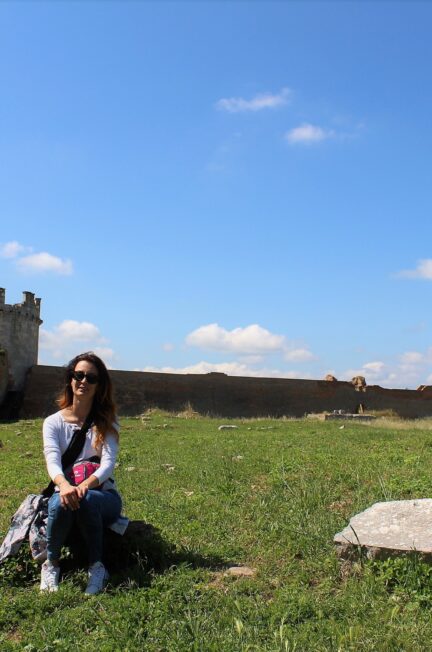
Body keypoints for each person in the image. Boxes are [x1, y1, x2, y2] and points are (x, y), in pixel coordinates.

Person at [40, 352, 122, 595]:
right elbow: (52, 460)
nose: (83, 381)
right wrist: (64, 486)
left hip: (103, 496)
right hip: (65, 491)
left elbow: (108, 464)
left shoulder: (107, 421)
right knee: (60, 502)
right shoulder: (52, 422)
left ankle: (97, 567)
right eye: (79, 375)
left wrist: (85, 485)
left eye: (91, 378)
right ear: (70, 379)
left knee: (85, 500)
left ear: (100, 386)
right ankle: (51, 564)